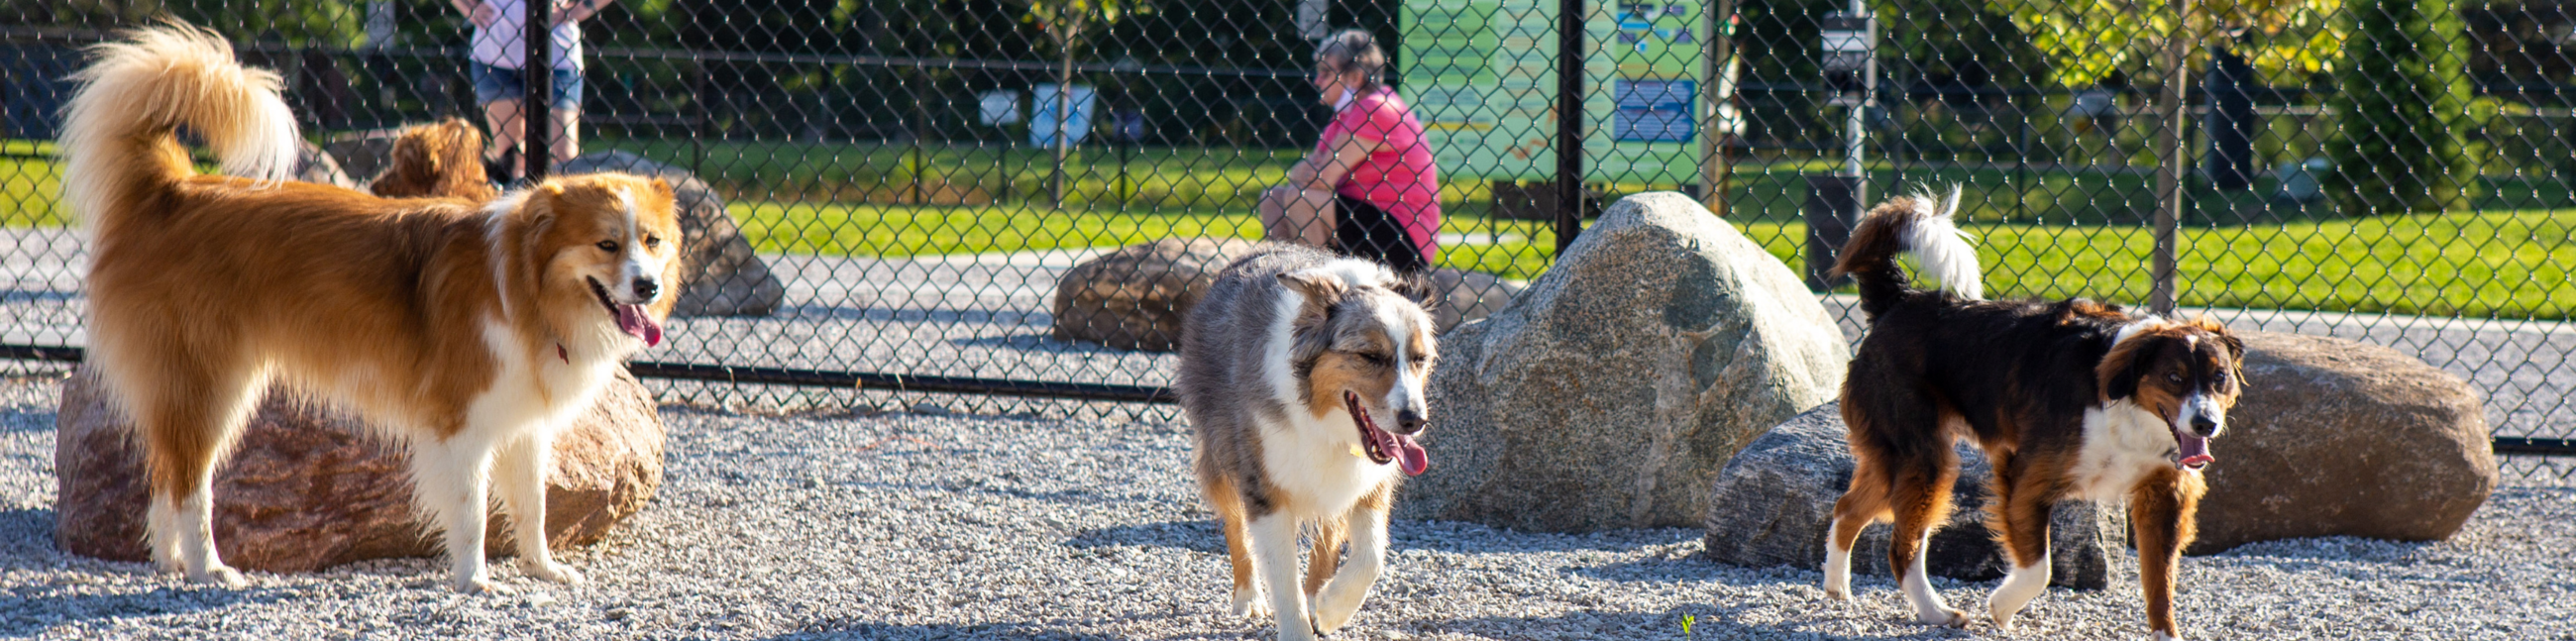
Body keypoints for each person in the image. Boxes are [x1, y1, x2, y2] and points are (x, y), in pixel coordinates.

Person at [1258, 30, 1441, 273]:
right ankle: (1282, 283)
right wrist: (1311, 172)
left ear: (1354, 77)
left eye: (1325, 73)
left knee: (1301, 200)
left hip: (1401, 233)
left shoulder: (1377, 108)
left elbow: (1321, 179)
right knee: (1273, 198)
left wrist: (1312, 172)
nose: (1316, 81)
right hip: (1365, 219)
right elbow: (1306, 173)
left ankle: (1316, 292)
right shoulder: (1344, 116)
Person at [451, 0, 614, 182]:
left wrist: (582, 8)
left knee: (564, 157)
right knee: (511, 159)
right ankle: (519, 208)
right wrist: (468, 8)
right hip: (494, 59)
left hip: (557, 59)